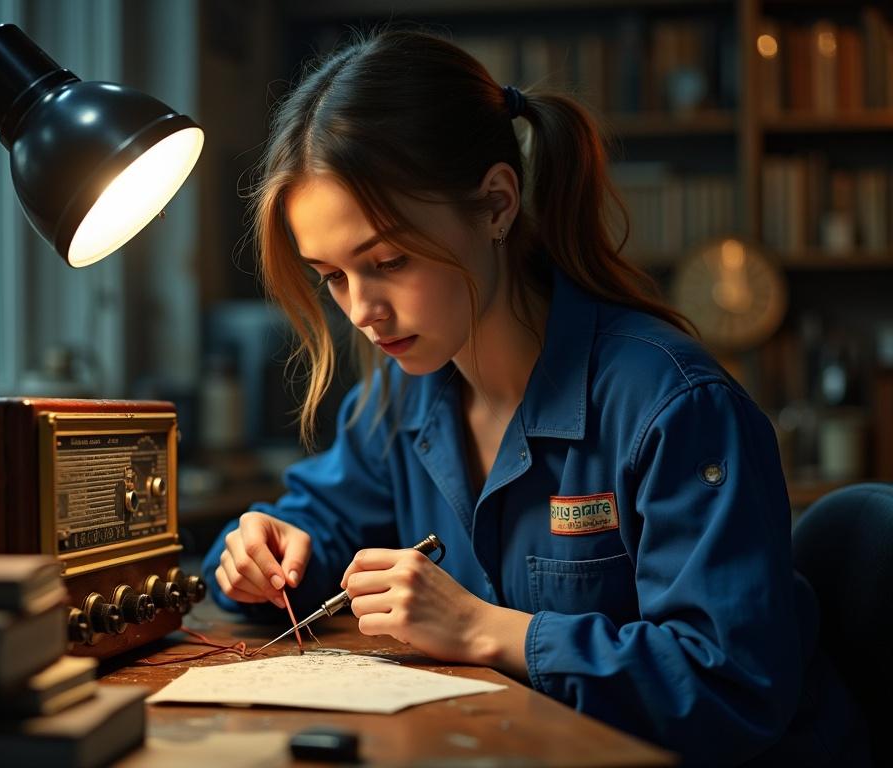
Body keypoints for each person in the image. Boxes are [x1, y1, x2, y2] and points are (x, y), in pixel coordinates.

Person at [202, 29, 867, 765]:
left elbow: (733, 686)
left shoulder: (673, 405)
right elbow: (318, 522)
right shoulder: (403, 392)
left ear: (495, 204)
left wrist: (487, 629)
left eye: (387, 260)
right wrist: (264, 552)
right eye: (332, 276)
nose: (361, 310)